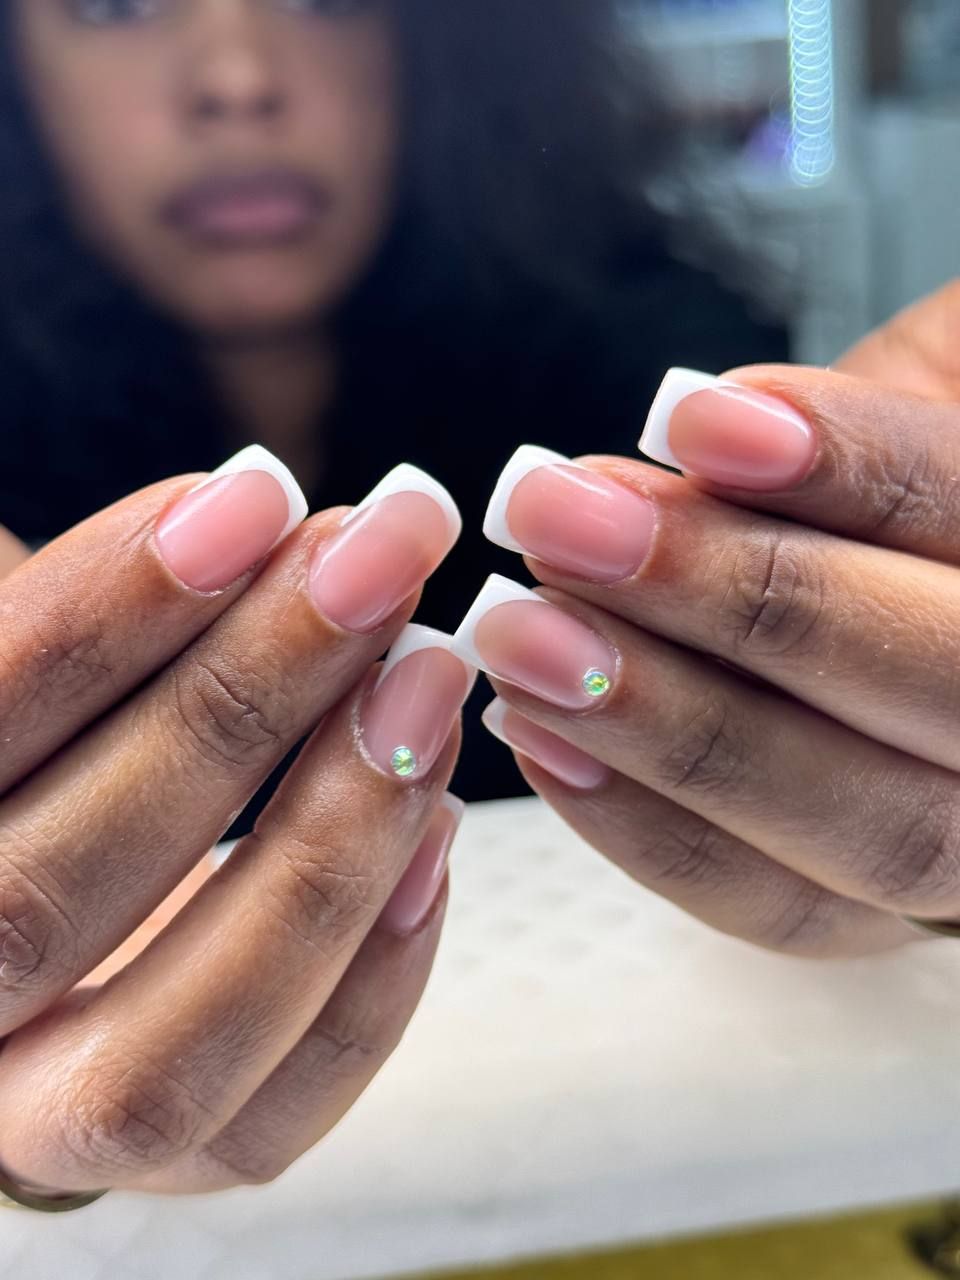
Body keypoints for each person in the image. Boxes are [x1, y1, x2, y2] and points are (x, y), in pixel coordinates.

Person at [4, 0, 954, 1215]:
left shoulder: (665, 380)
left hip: (665, 1163)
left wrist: (920, 870)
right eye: (113, 4)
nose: (237, 78)